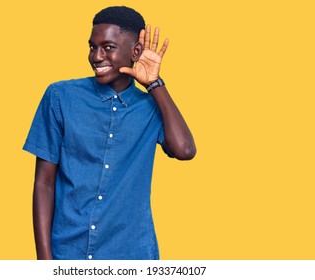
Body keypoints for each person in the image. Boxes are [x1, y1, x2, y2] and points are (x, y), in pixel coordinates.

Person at [23, 6, 196, 260]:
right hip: (69, 253)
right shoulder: (60, 97)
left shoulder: (151, 108)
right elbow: (44, 183)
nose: (96, 56)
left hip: (131, 255)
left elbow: (185, 150)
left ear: (135, 52)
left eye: (108, 47)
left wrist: (154, 84)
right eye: (93, 47)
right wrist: (45, 263)